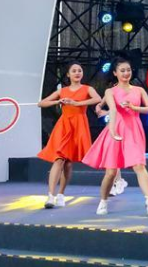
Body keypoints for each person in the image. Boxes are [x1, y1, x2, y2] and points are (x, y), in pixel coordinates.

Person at [81, 57, 148, 216]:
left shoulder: (139, 90)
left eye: (128, 70)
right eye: (122, 70)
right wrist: (111, 129)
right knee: (111, 172)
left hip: (134, 130)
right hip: (116, 129)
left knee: (139, 165)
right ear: (115, 73)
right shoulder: (110, 91)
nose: (126, 73)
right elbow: (113, 110)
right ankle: (103, 201)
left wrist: (134, 107)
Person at [37, 62, 101, 208]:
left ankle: (61, 194)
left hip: (79, 126)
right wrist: (58, 101)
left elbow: (97, 99)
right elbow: (41, 103)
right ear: (68, 74)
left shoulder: (87, 89)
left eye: (79, 70)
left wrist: (77, 103)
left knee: (68, 163)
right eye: (74, 71)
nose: (77, 73)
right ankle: (50, 196)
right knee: (59, 159)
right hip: (64, 126)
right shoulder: (62, 91)